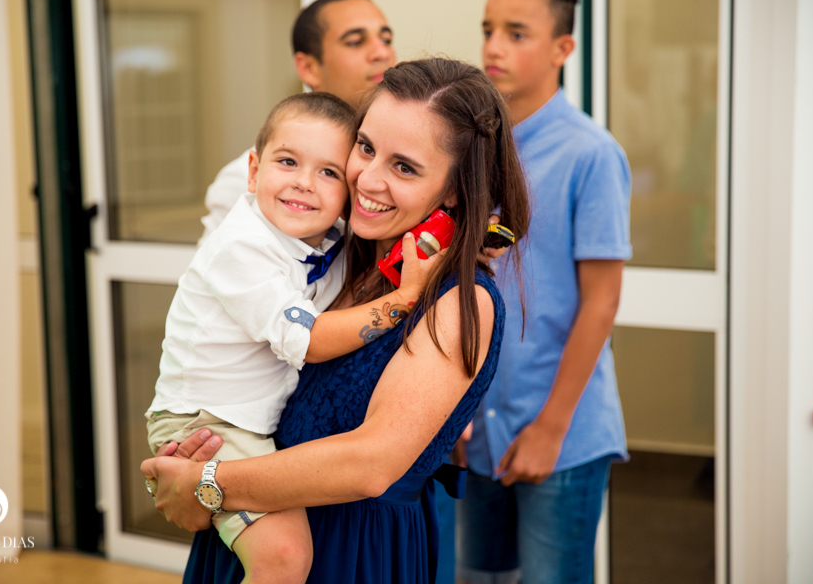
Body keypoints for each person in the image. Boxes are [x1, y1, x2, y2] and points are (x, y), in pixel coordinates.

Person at [141, 57, 531, 584]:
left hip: (351, 556)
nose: (367, 178)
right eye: (366, 148)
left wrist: (207, 485)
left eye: (405, 167)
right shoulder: (340, 257)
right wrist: (191, 465)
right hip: (258, 531)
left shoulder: (461, 302)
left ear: (456, 190)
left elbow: (371, 464)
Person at [146, 92, 434, 583]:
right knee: (284, 558)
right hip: (207, 423)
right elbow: (314, 339)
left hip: (249, 424)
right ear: (254, 170)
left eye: (328, 173)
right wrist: (404, 299)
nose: (304, 182)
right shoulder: (241, 247)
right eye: (287, 162)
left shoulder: (328, 239)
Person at [455, 0, 632, 583]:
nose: (493, 47)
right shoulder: (471, 151)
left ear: (563, 47)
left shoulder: (592, 154)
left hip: (561, 434)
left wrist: (550, 429)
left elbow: (601, 302)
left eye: (516, 33)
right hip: (476, 431)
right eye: (488, 29)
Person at [199, 0, 396, 244]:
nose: (382, 53)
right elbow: (219, 277)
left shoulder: (388, 167)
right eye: (356, 42)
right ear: (308, 68)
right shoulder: (245, 183)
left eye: (387, 40)